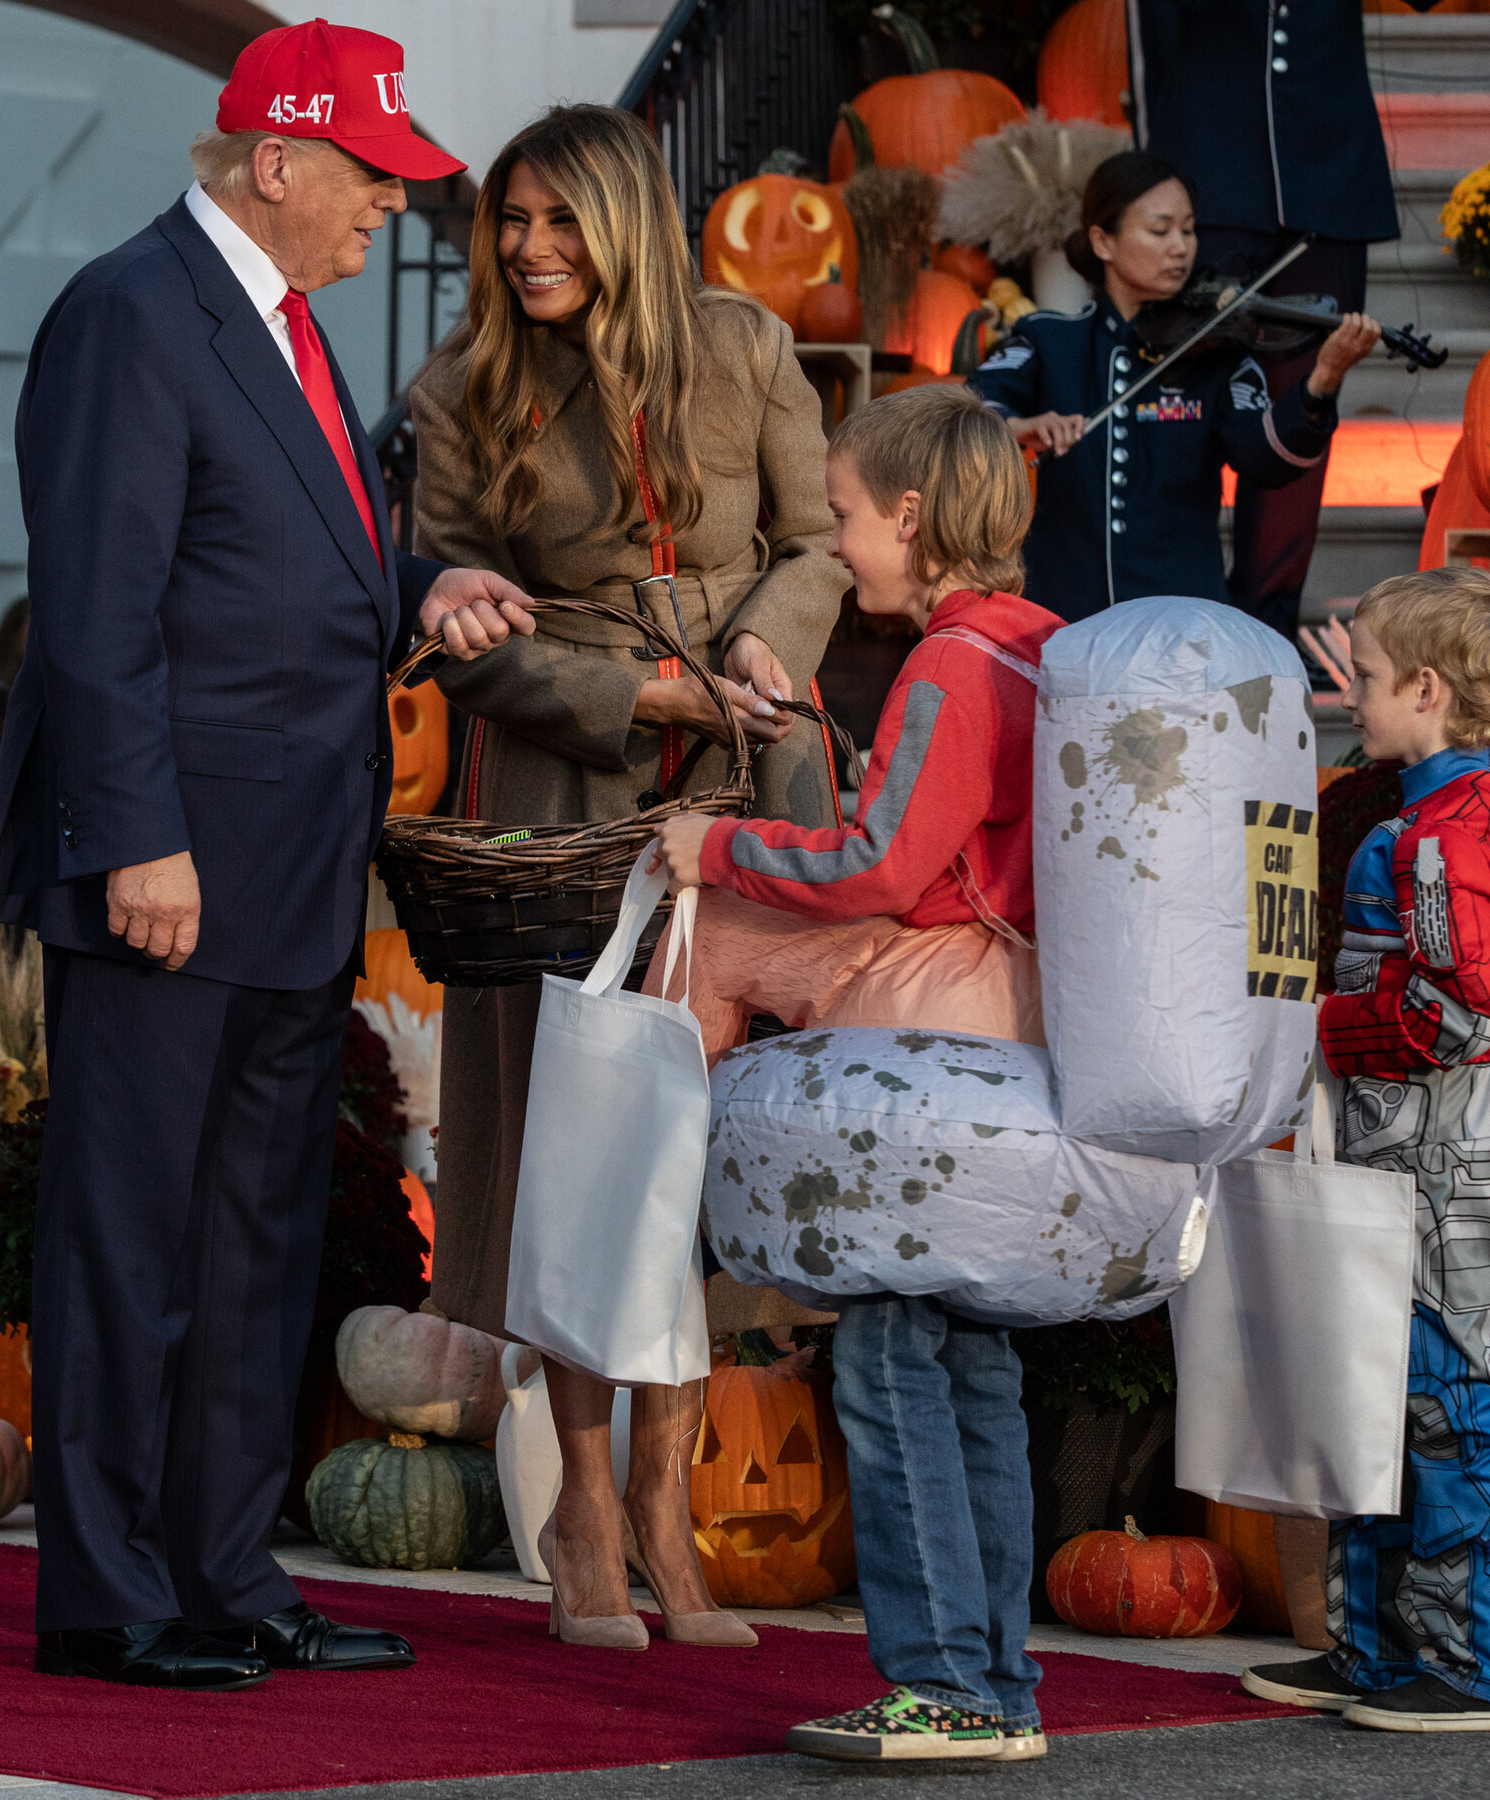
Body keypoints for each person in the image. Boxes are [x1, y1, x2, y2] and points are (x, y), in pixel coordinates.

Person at [0, 20, 534, 1690]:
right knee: (129, 1241)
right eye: (372, 175)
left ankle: (224, 1576)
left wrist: (412, 576)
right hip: (173, 874)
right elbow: (95, 610)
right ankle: (105, 1592)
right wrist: (136, 838)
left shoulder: (281, 321)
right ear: (278, 161)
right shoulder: (132, 318)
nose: (387, 209)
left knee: (254, 1244)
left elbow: (274, 537)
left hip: (292, 868)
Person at [411, 104, 846, 1653]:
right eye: (508, 222)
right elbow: (454, 635)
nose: (528, 249)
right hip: (567, 780)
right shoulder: (464, 387)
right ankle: (587, 1502)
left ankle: (674, 1495)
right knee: (574, 1141)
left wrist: (761, 646)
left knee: (703, 1142)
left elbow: (823, 544)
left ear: (623, 223)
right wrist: (628, 699)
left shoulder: (741, 343)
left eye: (558, 220)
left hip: (748, 768)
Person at [651, 384, 1059, 1761]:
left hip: (932, 1031)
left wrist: (712, 849)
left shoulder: (949, 664)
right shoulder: (1034, 646)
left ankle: (941, 1682)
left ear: (911, 515)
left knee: (886, 1356)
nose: (833, 545)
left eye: (839, 519)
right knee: (970, 1366)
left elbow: (879, 866)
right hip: (1013, 1036)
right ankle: (996, 1685)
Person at [1242, 566, 1490, 1730]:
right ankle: (1377, 1650)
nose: (1346, 694)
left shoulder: (1448, 835)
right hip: (1387, 1151)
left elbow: (1463, 1018)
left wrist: (1315, 1023)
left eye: (1363, 679)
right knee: (1378, 1394)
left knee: (1450, 1395)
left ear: (1429, 690)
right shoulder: (1419, 814)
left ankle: (1475, 1667)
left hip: (1439, 1166)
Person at [1126, 0, 1438, 638]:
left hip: (1327, 178)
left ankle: (1265, 628)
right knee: (1183, 410)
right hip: (1206, 172)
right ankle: (1170, 613)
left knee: (1306, 408)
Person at [970, 152, 1378, 624]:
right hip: (1061, 620)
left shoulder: (1217, 355)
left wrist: (1321, 383)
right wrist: (1020, 426)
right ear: (1103, 242)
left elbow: (1266, 457)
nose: (1181, 248)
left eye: (1188, 230)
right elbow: (971, 405)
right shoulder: (1050, 339)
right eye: (1160, 231)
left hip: (1183, 633)